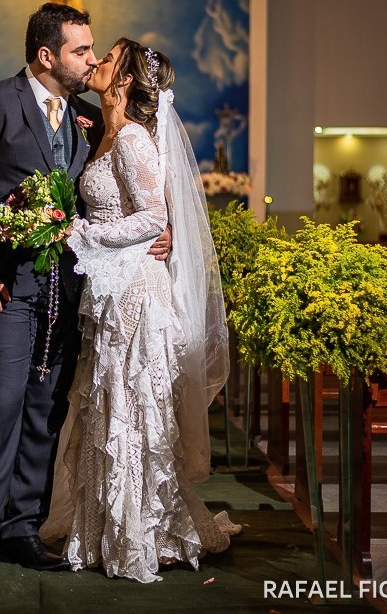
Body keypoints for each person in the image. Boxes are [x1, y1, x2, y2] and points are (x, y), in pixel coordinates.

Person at [0, 3, 134, 588]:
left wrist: (160, 228)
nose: (92, 60)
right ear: (47, 56)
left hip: (66, 290)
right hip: (4, 288)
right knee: (0, 404)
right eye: (81, 50)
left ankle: (22, 528)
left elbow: (114, 193)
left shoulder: (87, 119)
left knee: (46, 410)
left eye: (92, 48)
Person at [41, 38, 240, 582]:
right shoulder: (103, 131)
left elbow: (153, 216)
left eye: (106, 59)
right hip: (110, 287)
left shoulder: (130, 137)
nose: (97, 63)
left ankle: (141, 532)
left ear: (125, 80)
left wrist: (82, 233)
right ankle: (107, 527)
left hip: (134, 290)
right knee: (107, 402)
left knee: (131, 403)